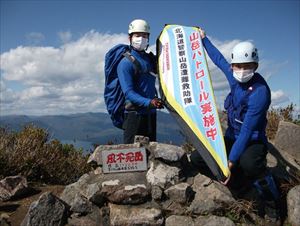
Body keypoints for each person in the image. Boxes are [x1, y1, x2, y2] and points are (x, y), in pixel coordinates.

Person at [195, 28, 281, 222]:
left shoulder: (260, 93)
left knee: (250, 164)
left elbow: (247, 131)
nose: (241, 70)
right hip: (232, 136)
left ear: (256, 65)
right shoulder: (233, 77)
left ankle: (272, 203)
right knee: (199, 158)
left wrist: (230, 162)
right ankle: (240, 185)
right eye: (237, 66)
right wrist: (204, 39)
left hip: (252, 140)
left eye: (247, 65)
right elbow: (218, 60)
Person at [117, 19, 163, 144]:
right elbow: (129, 93)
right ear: (130, 38)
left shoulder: (150, 60)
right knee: (133, 159)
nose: (141, 39)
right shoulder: (125, 63)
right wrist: (150, 102)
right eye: (137, 35)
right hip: (134, 116)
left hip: (151, 114)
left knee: (151, 156)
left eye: (144, 35)